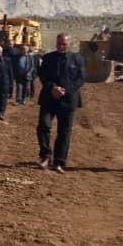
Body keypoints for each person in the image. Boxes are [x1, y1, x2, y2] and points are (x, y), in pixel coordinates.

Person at [37, 33, 86, 173]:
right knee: (43, 125)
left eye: (64, 44)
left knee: (64, 132)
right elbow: (43, 76)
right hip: (49, 97)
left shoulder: (77, 59)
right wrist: (53, 87)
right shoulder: (47, 58)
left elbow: (81, 78)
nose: (61, 46)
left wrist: (65, 90)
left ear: (69, 44)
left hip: (68, 100)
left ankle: (59, 162)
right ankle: (45, 155)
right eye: (59, 44)